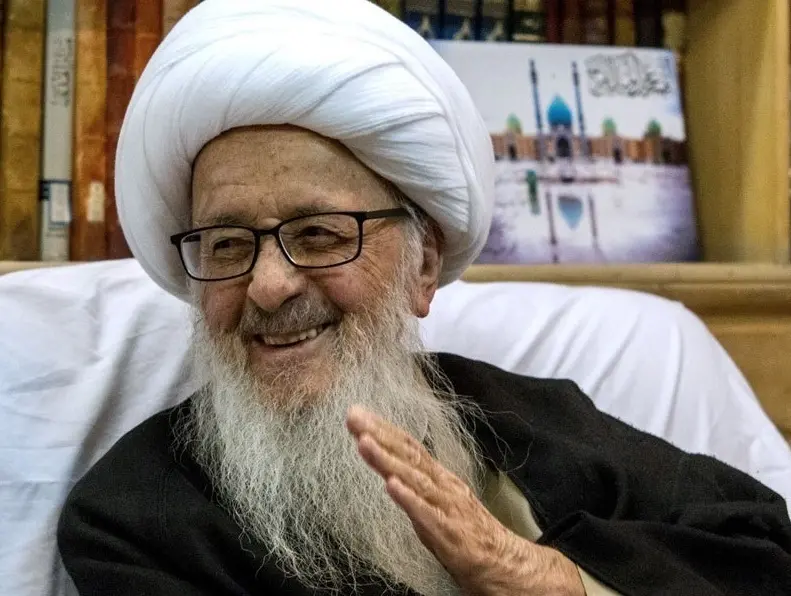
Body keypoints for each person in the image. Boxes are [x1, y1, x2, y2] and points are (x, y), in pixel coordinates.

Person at [57, 1, 791, 594]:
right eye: (226, 245)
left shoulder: (534, 414)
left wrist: (547, 580)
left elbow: (759, 545)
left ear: (423, 266)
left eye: (318, 235)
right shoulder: (130, 516)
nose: (269, 284)